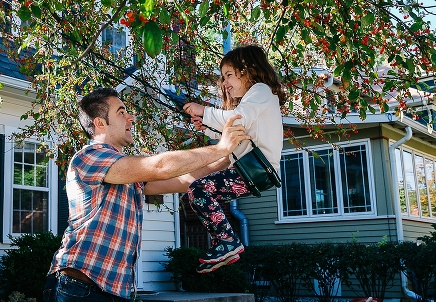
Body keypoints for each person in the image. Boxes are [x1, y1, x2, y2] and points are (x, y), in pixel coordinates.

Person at [44, 87, 250, 302]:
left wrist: (231, 155)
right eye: (121, 112)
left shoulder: (125, 171)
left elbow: (185, 180)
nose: (130, 117)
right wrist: (220, 148)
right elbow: (160, 167)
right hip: (80, 287)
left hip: (112, 291)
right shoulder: (89, 157)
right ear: (100, 123)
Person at [182, 44, 286, 273]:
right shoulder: (254, 100)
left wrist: (204, 111)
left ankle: (227, 241)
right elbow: (235, 134)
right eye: (223, 77)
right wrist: (207, 128)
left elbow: (236, 119)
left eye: (229, 74)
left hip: (258, 167)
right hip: (254, 170)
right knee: (199, 192)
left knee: (199, 189)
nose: (225, 83)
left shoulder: (260, 90)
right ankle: (225, 244)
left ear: (247, 69)